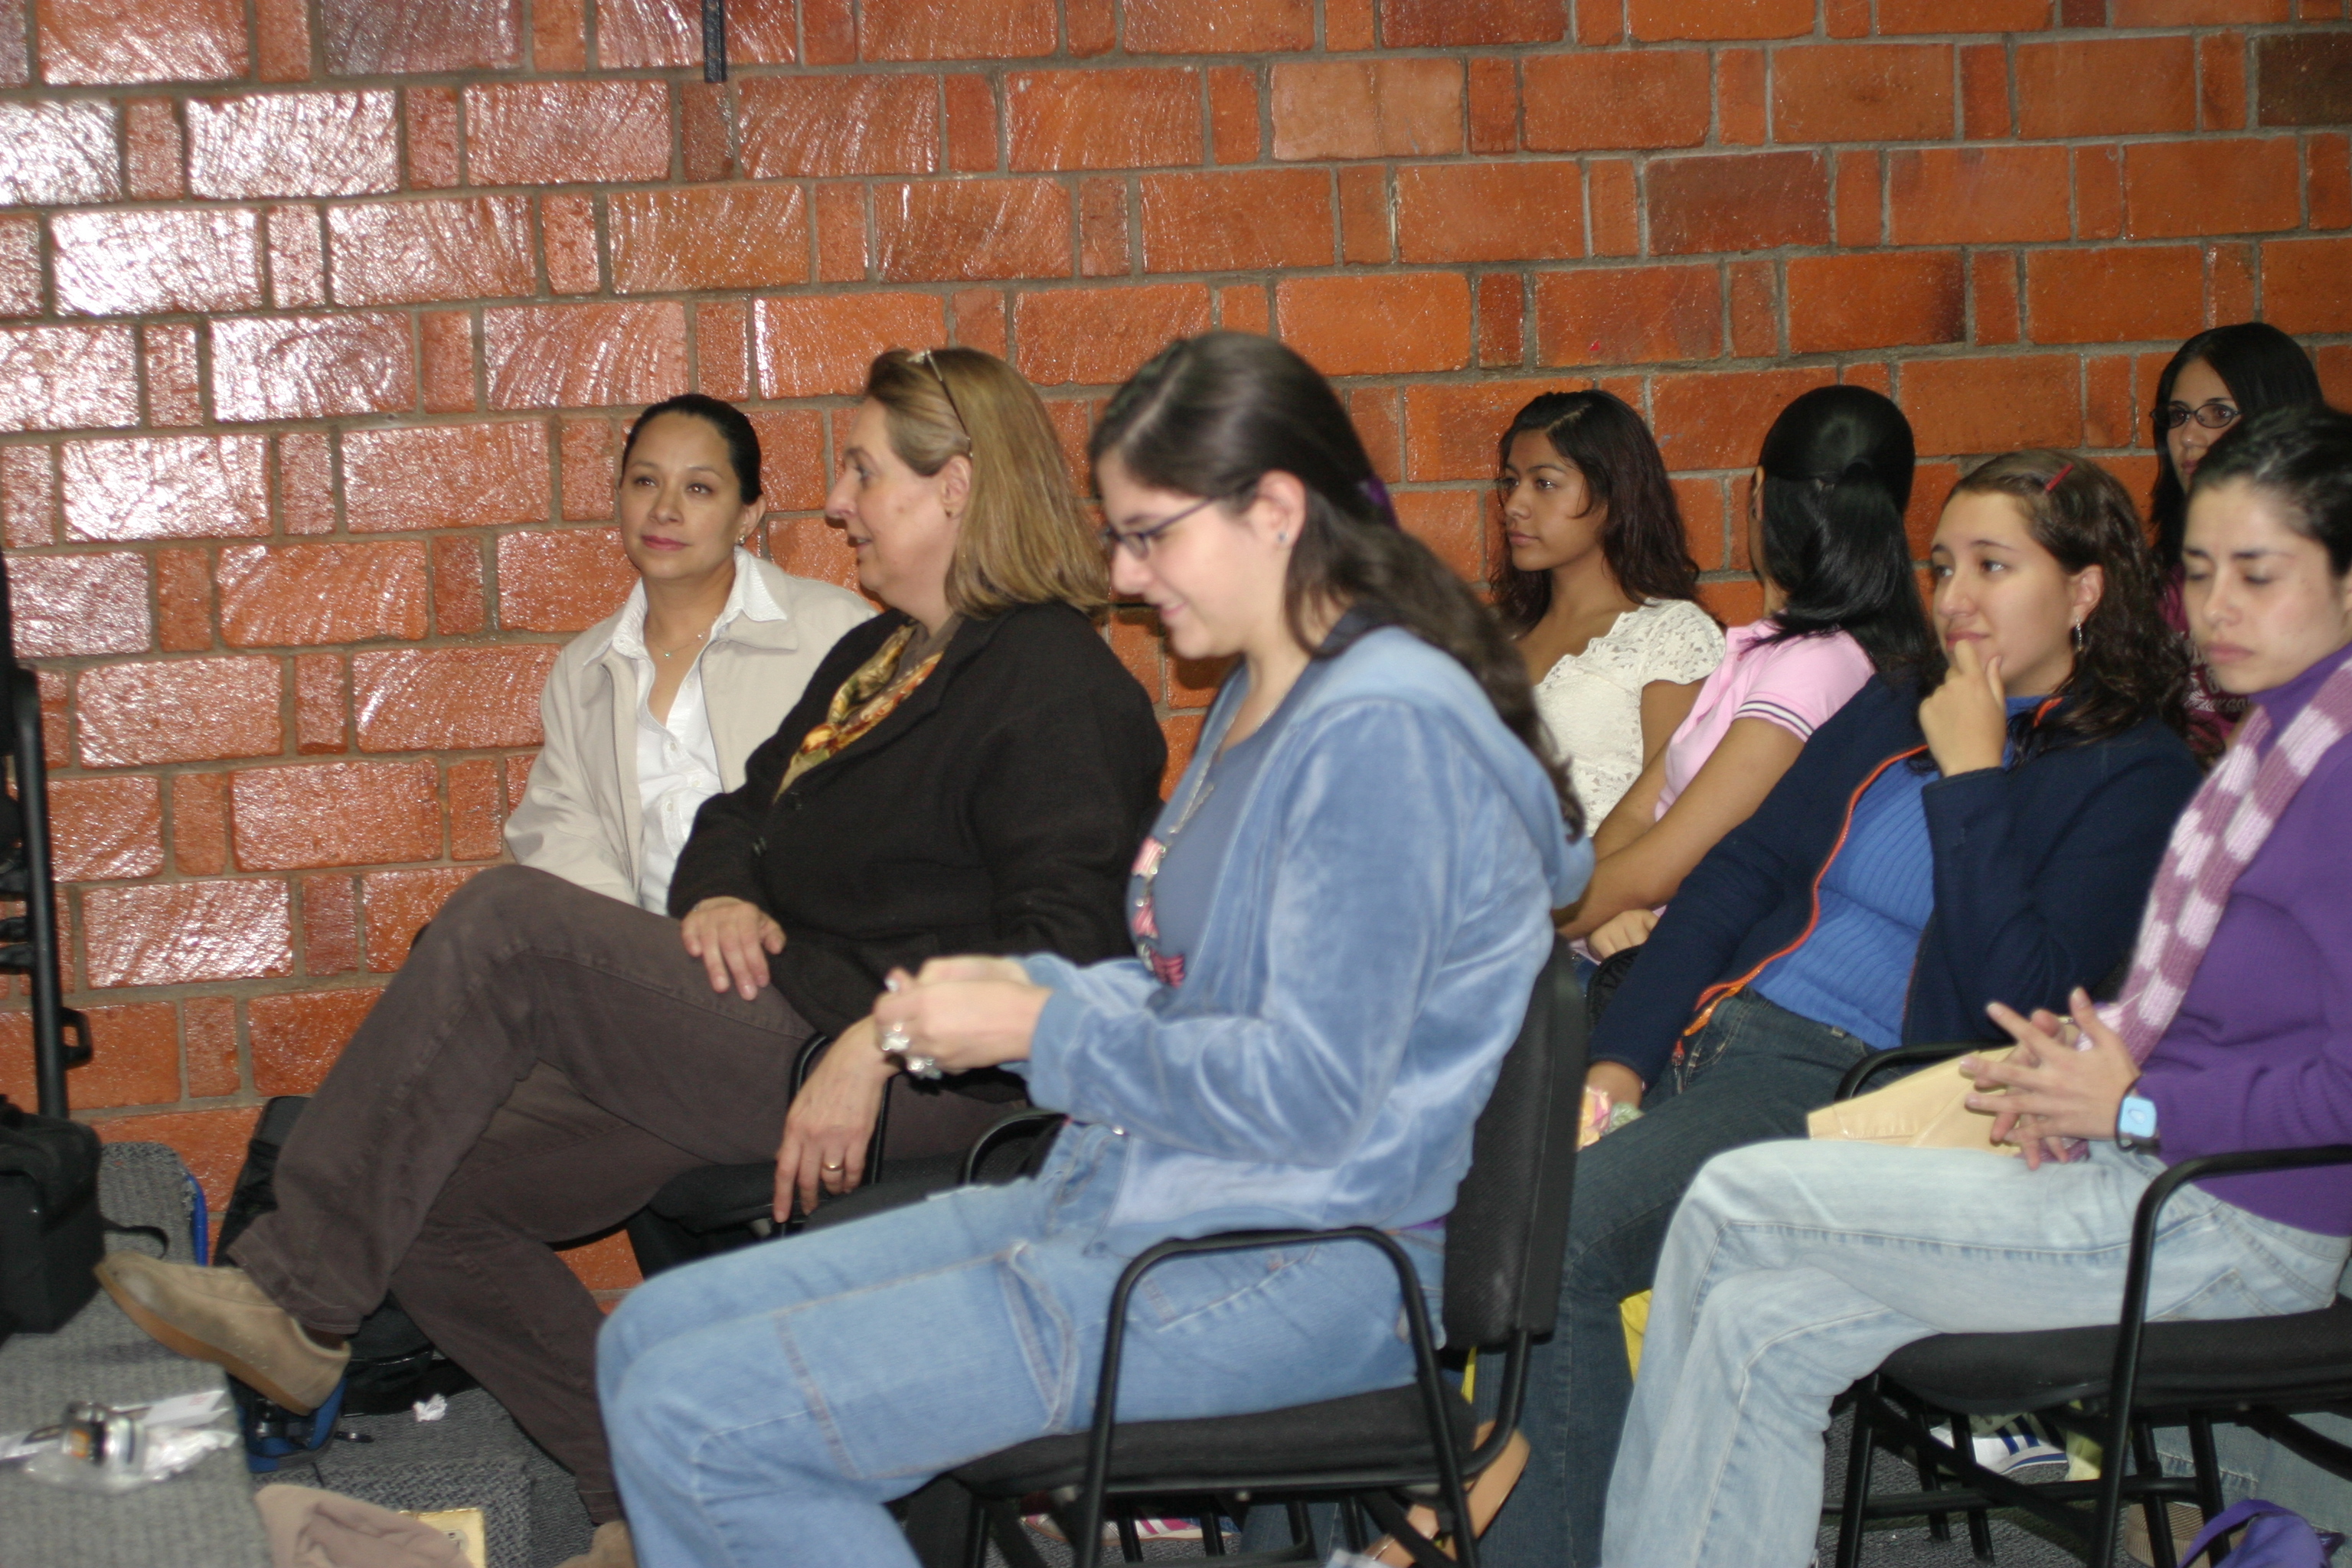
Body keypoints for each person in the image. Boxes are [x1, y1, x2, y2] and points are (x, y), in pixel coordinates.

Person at [93, 345, 1165, 1567]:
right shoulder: (877, 659)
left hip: (920, 1074)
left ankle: (291, 1297)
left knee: (509, 923)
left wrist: (880, 1039)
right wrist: (721, 895)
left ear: (957, 487)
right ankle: (651, 1504)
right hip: (778, 1018)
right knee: (438, 1201)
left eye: (866, 473)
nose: (838, 503)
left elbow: (1069, 950)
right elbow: (735, 818)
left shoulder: (1051, 677)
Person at [593, 332, 1590, 1568]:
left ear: (1275, 513)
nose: (1121, 572)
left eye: (1150, 534)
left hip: (1290, 1260)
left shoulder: (1385, 738)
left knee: (694, 1418)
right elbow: (1188, 988)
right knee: (641, 1343)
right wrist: (1016, 988)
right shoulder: (1262, 693)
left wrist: (1043, 1025)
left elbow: (1309, 1097)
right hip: (1139, 1198)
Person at [1602, 403, 2352, 1568]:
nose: (2218, 608)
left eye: (2258, 574)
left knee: (1732, 1201)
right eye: (2201, 572)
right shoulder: (2273, 747)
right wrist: (2102, 1077)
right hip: (2133, 1156)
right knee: (1756, 1323)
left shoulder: (2314, 777)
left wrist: (2133, 1102)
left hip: (2231, 1215)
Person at [1479, 451, 2204, 1568]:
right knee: (1448, 1189)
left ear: (2085, 589)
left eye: (1993, 566)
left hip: (1854, 1080)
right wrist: (1619, 1061)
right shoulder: (1897, 697)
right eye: (1943, 565)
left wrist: (1974, 779)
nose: (1955, 596)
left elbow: (2019, 994)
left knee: (1557, 1240)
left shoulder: (2135, 772)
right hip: (1706, 1030)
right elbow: (1742, 873)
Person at [1561, 386, 1937, 959]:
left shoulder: (1818, 665)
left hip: (1683, 965)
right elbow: (1638, 811)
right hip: (1612, 939)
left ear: (1758, 492)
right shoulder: (1768, 648)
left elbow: (1662, 868)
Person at [503, 394, 873, 911]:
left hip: (792, 940)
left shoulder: (835, 632)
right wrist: (626, 942)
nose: (664, 510)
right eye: (645, 482)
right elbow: (559, 830)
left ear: (748, 514)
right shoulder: (586, 669)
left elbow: (878, 814)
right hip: (640, 946)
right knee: (487, 907)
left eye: (699, 488)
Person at [1494, 390, 1723, 824]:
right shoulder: (1494, 635)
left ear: (1614, 494)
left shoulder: (1670, 634)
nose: (1515, 506)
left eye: (1544, 484)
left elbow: (1671, 814)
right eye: (1511, 482)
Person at [2148, 323, 2324, 751]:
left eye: (2218, 414)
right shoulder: (2160, 582)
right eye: (2178, 416)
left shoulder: (2328, 577)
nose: (2189, 436)